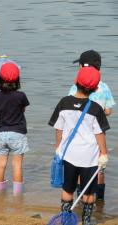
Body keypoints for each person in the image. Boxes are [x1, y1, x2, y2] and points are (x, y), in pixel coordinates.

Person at [49, 67, 109, 225]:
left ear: (75, 82)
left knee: (67, 188)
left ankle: (65, 219)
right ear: (96, 88)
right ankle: (87, 221)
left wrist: (58, 147)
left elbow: (58, 129)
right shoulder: (96, 109)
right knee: (88, 192)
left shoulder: (64, 103)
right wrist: (104, 154)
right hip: (89, 158)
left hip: (68, 154)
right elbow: (99, 134)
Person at [68, 50, 115, 200]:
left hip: (78, 136)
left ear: (82, 67)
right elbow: (108, 111)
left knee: (80, 166)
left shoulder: (75, 86)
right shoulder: (104, 87)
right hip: (98, 137)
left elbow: (69, 108)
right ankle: (99, 199)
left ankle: (81, 197)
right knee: (99, 169)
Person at [0, 62, 29, 194]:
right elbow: (23, 109)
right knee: (16, 164)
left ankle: (0, 192)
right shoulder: (21, 96)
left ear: (0, 79)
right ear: (17, 80)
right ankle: (17, 195)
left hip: (1, 133)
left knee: (1, 164)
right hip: (18, 132)